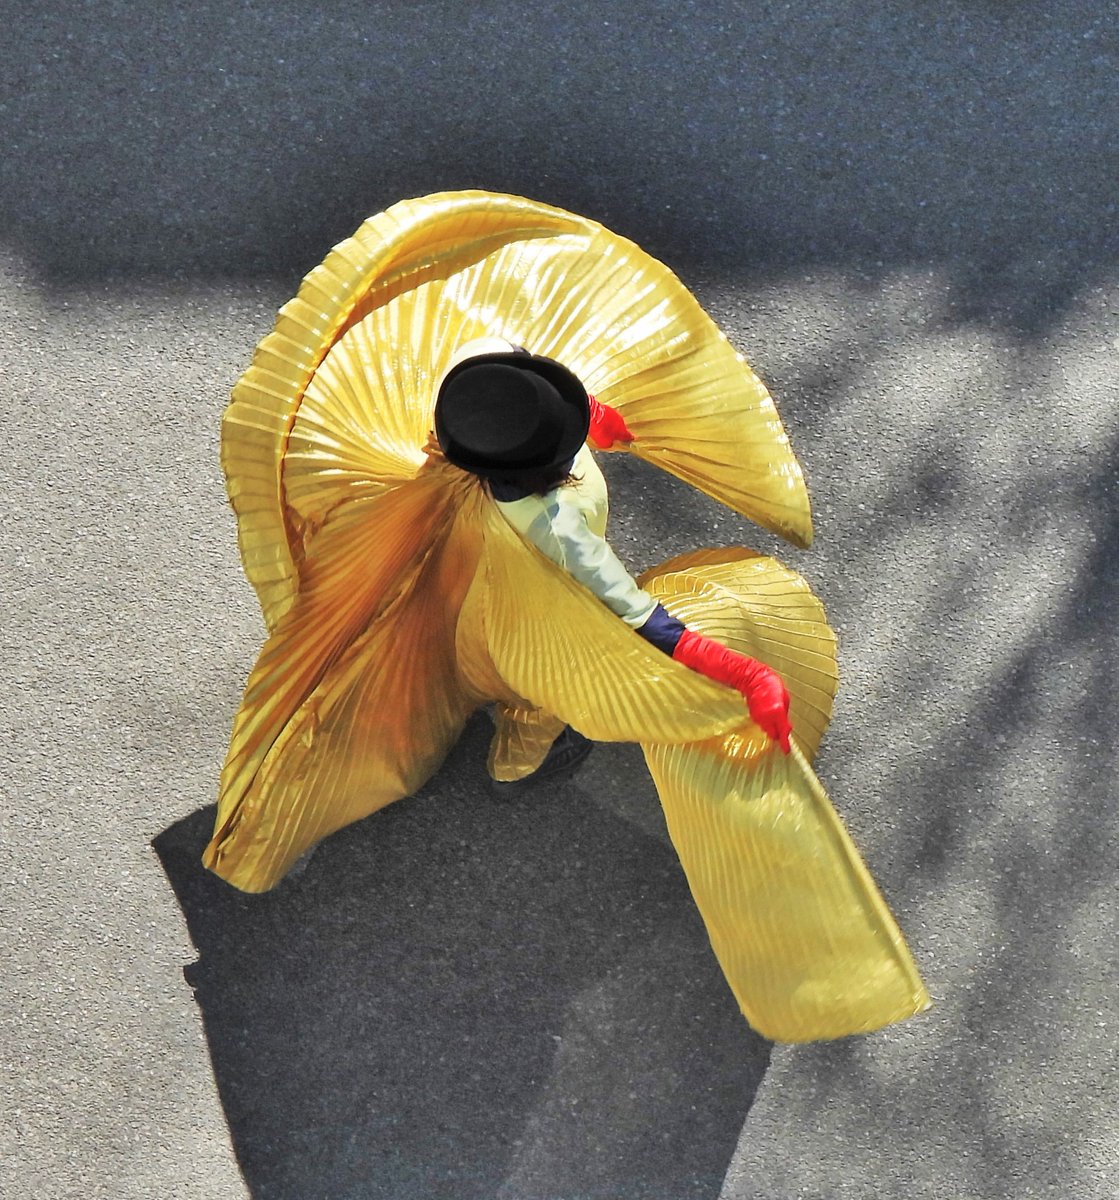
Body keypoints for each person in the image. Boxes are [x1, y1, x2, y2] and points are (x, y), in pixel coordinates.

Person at [432, 336, 792, 788]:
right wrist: (748, 675)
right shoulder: (557, 530)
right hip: (526, 611)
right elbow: (641, 618)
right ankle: (516, 767)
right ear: (553, 463)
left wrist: (593, 412)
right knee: (545, 686)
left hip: (466, 566)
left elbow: (522, 384)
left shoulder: (467, 387)